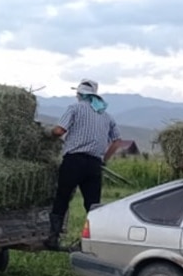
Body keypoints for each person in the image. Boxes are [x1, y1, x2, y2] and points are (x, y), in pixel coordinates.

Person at [44, 78, 124, 250]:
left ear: (80, 94)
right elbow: (117, 141)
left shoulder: (74, 108)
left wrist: (46, 133)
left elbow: (59, 131)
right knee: (92, 205)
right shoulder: (106, 116)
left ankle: (53, 238)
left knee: (62, 198)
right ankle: (92, 242)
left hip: (74, 161)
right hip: (94, 164)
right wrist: (104, 159)